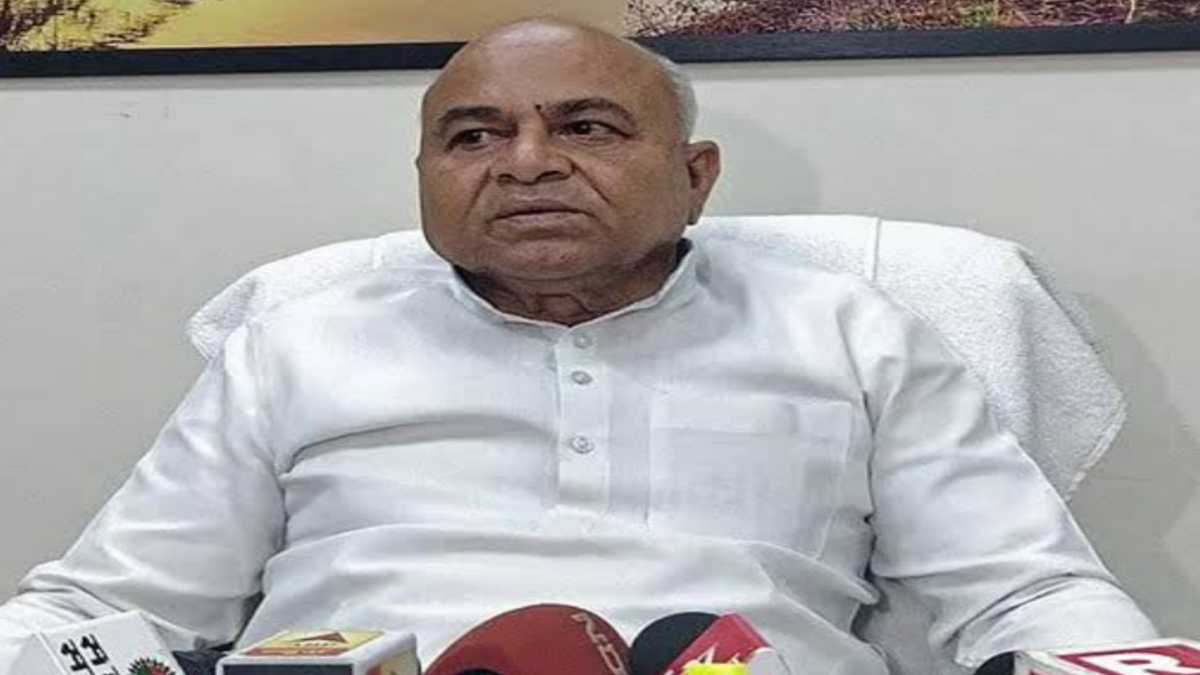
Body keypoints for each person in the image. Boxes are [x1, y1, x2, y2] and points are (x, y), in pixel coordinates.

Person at [0, 18, 1157, 675]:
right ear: (424, 177)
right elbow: (111, 604)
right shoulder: (297, 344)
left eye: (587, 127)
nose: (526, 164)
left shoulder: (850, 331)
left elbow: (1027, 591)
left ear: (695, 177)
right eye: (474, 136)